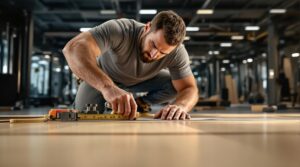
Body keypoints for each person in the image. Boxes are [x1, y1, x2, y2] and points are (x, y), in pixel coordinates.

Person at [63, 10, 198, 120]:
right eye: (153, 44)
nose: (153, 54)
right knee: (84, 116)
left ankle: (141, 103)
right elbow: (72, 49)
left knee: (174, 85)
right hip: (103, 78)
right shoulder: (120, 30)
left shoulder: (177, 53)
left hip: (140, 82)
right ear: (147, 27)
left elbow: (189, 88)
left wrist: (181, 106)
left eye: (162, 52)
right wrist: (108, 88)